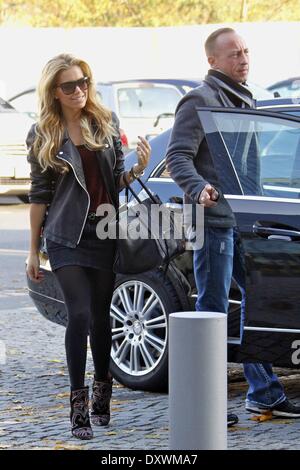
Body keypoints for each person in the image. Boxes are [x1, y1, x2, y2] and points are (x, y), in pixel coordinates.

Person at [166, 27, 300, 425]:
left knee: (259, 305)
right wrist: (200, 188)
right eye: (233, 54)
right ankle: (204, 404)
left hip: (245, 223)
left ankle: (264, 394)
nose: (243, 59)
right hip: (213, 223)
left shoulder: (243, 98)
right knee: (212, 311)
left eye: (245, 51)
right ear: (212, 61)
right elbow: (177, 157)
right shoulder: (199, 101)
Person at [26, 53, 151, 440]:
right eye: (69, 86)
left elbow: (113, 181)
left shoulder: (105, 121)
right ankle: (78, 408)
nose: (79, 90)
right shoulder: (43, 133)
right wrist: (33, 249)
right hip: (65, 236)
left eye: (83, 82)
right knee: (78, 315)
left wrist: (138, 169)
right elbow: (39, 194)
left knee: (101, 318)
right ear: (54, 92)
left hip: (105, 233)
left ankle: (102, 392)